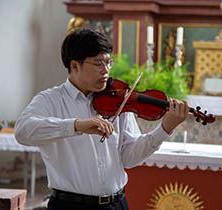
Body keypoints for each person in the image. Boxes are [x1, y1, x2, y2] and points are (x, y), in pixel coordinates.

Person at [15, 29, 189, 210]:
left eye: (108, 63)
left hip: (117, 204)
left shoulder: (118, 100)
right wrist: (77, 126)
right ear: (75, 66)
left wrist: (164, 130)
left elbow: (129, 158)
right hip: (70, 206)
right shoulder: (50, 100)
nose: (106, 70)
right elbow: (23, 131)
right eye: (98, 64)